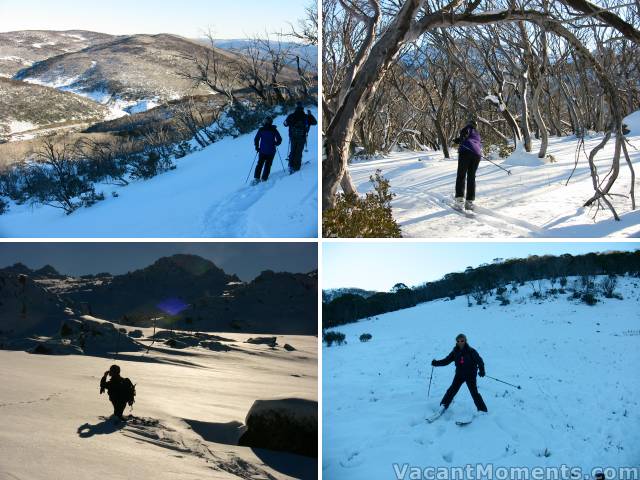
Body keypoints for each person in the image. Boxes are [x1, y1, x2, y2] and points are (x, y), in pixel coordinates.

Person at [431, 333, 488, 413]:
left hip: (470, 375)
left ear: (465, 341)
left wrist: (482, 370)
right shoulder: (455, 351)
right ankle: (444, 405)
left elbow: (480, 361)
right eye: (458, 341)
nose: (460, 342)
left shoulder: (471, 351)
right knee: (452, 390)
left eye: (462, 340)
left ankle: (482, 410)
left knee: (474, 392)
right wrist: (436, 363)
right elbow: (446, 361)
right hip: (459, 374)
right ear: (456, 342)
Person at [453, 119, 483, 211]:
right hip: (477, 155)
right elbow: (472, 141)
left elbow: (465, 135)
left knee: (461, 175)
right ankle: (469, 202)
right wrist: (459, 140)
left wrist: (460, 139)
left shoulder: (467, 128)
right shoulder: (477, 134)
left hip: (466, 153)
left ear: (469, 124)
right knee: (471, 177)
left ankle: (459, 201)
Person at [253, 116, 282, 184]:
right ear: (271, 122)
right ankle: (264, 178)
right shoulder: (274, 130)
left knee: (259, 164)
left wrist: (257, 147)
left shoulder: (261, 129)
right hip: (271, 151)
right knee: (268, 165)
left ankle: (257, 178)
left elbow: (256, 139)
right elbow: (279, 139)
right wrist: (276, 143)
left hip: (262, 150)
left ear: (265, 122)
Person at [284, 102, 311, 173]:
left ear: (296, 107)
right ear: (302, 107)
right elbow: (314, 122)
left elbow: (285, 124)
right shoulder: (305, 116)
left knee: (293, 150)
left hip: (293, 136)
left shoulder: (291, 115)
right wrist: (310, 115)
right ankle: (296, 167)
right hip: (302, 137)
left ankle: (291, 165)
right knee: (298, 151)